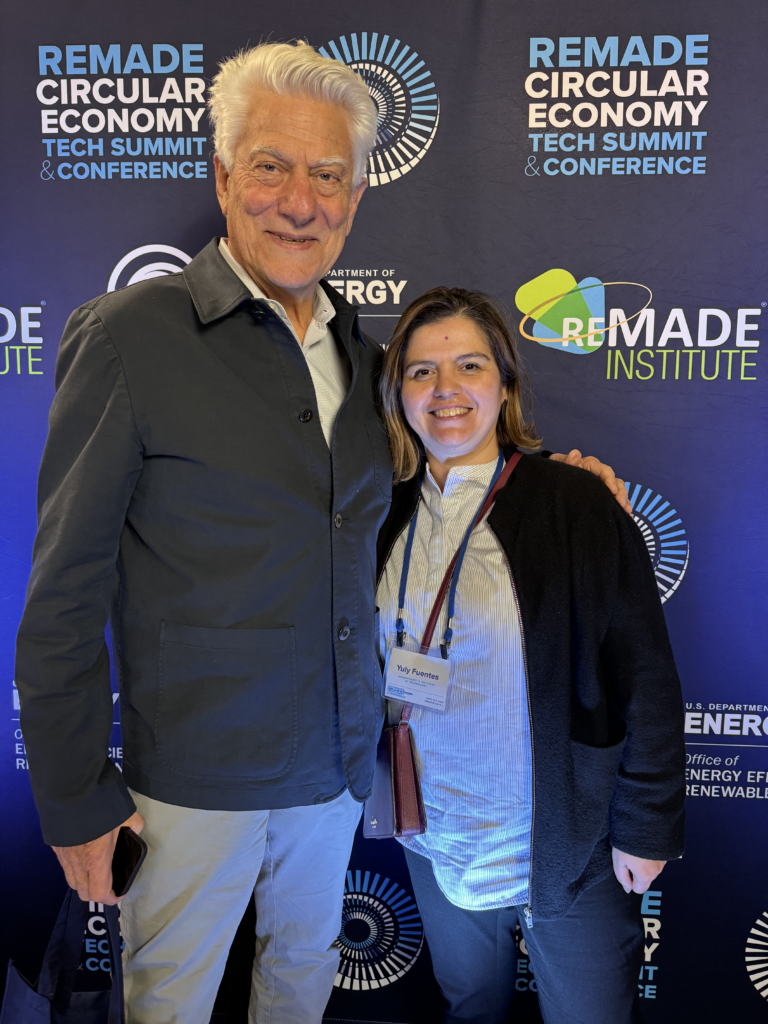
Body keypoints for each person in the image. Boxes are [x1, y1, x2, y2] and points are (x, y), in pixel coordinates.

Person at [15, 41, 631, 1024]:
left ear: (355, 197)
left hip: (337, 775)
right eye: (271, 166)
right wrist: (75, 795)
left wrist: (561, 489)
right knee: (168, 1004)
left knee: (300, 990)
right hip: (195, 781)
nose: (300, 202)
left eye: (328, 175)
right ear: (224, 176)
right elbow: (62, 591)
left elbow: (442, 482)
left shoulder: (368, 359)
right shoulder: (130, 336)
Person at [375, 287, 685, 1024]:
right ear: (397, 394)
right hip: (435, 829)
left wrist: (646, 826)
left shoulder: (573, 501)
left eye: (469, 366)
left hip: (565, 836)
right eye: (421, 371)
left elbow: (645, 675)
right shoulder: (378, 509)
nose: (445, 389)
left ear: (505, 383)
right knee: (469, 1005)